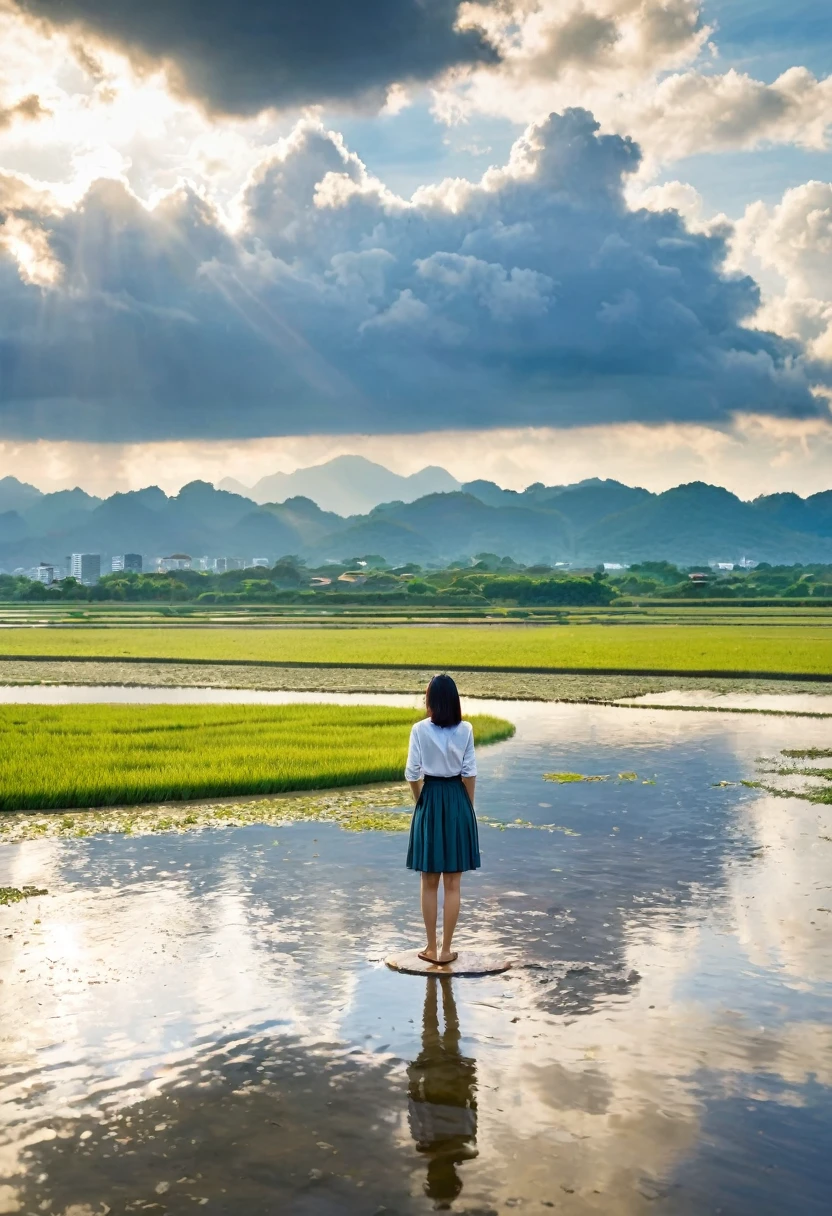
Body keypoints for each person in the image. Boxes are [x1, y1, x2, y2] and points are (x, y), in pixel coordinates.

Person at [405, 674, 480, 966]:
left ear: (431, 701)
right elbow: (470, 772)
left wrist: (420, 800)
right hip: (457, 799)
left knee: (428, 882)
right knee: (453, 885)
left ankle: (430, 947)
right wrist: (467, 807)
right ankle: (447, 950)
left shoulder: (419, 730)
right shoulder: (466, 729)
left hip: (431, 796)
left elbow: (412, 773)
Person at [407, 976, 478, 1204]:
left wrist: (413, 1079)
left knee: (443, 1028)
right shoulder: (458, 1146)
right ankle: (440, 988)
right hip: (446, 1078)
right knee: (441, 1028)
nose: (431, 1175)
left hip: (441, 1076)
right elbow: (472, 1111)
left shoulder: (434, 1145)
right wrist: (470, 1080)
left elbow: (416, 1107)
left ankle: (436, 987)